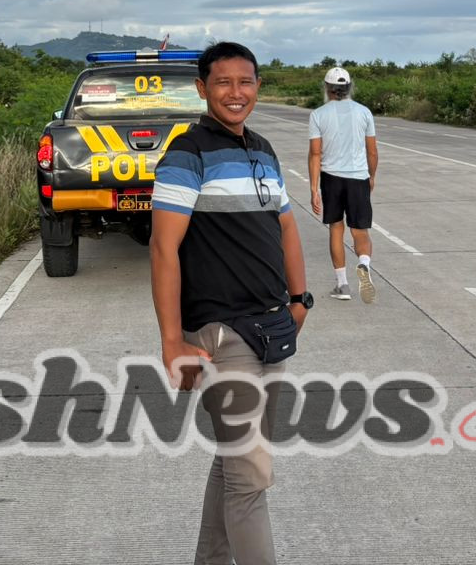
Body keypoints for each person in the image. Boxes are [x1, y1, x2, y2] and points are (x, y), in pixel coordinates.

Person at [150, 42, 311, 565]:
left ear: (258, 87)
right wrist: (172, 340)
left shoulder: (262, 149)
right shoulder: (187, 153)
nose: (235, 93)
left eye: (246, 82)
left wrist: (299, 298)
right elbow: (163, 247)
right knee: (251, 477)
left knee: (235, 465)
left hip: (271, 329)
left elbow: (285, 224)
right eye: (223, 83)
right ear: (202, 89)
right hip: (223, 334)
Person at [307, 66, 379, 303]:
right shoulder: (364, 113)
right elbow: (372, 151)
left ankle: (343, 285)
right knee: (360, 231)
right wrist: (372, 176)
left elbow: (315, 154)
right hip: (358, 177)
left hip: (332, 179)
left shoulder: (318, 114)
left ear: (327, 88)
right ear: (349, 88)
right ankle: (364, 263)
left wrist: (314, 189)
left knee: (336, 230)